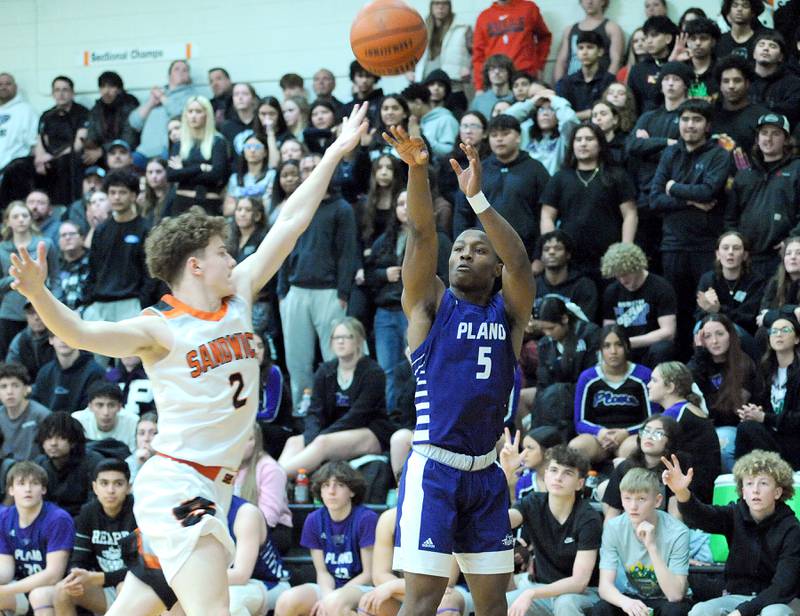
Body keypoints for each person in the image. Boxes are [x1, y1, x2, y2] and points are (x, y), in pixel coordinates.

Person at [8, 103, 370, 616]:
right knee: (211, 610)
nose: (233, 257)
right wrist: (42, 297)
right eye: (224, 250)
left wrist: (333, 152)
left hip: (215, 485)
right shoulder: (159, 326)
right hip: (180, 484)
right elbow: (83, 332)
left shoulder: (240, 292)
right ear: (197, 264)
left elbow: (289, 223)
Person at [382, 118, 535, 615]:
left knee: (493, 605)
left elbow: (521, 261)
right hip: (435, 470)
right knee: (423, 601)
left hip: (488, 473)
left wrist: (479, 201)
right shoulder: (430, 307)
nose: (465, 255)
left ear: (494, 267)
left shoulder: (509, 312)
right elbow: (423, 233)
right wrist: (417, 172)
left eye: (478, 250)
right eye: (461, 250)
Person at [664, 450, 800, 616]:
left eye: (763, 483)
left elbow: (782, 587)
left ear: (778, 492)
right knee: (700, 611)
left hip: (776, 601)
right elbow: (702, 516)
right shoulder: (734, 514)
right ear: (743, 491)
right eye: (749, 484)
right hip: (736, 596)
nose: (755, 490)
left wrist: (742, 612)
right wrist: (681, 492)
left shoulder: (792, 528)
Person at [650, 99, 730, 355]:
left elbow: (708, 191)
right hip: (673, 245)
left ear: (707, 126)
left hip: (705, 246)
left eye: (696, 120)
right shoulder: (670, 153)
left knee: (704, 309)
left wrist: (673, 188)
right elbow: (654, 199)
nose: (689, 125)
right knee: (678, 312)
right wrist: (690, 199)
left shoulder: (718, 154)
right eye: (685, 119)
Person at [276, 167, 360, 407]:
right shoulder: (297, 206)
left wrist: (343, 292)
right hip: (295, 291)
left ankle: (338, 407)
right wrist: (282, 290)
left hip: (329, 292)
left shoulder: (342, 209)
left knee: (336, 356)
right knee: (297, 360)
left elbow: (348, 254)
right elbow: (283, 248)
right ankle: (302, 412)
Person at [278, 317, 392, 478]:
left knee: (322, 443)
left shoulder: (373, 372)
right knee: (294, 442)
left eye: (346, 337)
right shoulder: (325, 371)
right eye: (336, 338)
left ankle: (273, 478)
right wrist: (312, 434)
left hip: (370, 431)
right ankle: (277, 481)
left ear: (359, 340)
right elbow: (314, 411)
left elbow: (359, 415)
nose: (340, 342)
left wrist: (322, 435)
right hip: (330, 432)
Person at [506, 444, 603, 616]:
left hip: (585, 593)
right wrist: (507, 476)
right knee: (503, 603)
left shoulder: (588, 518)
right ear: (545, 475)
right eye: (554, 470)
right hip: (543, 589)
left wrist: (532, 593)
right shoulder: (533, 502)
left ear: (580, 483)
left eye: (567, 473)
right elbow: (502, 521)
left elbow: (579, 582)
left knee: (565, 603)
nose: (558, 477)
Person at [30, 458, 136, 616]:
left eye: (118, 484)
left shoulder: (138, 512)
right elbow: (79, 559)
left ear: (128, 487)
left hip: (136, 589)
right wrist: (76, 576)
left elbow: (140, 569)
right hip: (104, 587)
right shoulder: (88, 512)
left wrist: (98, 578)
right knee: (63, 589)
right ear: (95, 487)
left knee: (124, 587)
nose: (111, 490)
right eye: (104, 483)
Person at [273, 462, 377, 616]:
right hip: (329, 587)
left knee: (336, 603)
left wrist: (332, 598)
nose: (331, 491)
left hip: (362, 588)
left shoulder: (366, 519)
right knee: (287, 600)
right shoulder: (314, 520)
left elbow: (369, 575)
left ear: (352, 491)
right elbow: (322, 572)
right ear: (320, 491)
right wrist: (328, 595)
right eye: (326, 485)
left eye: (339, 485)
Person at [540, 121, 637, 281]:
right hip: (570, 259)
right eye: (578, 140)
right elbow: (547, 215)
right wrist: (553, 247)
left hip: (609, 257)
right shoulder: (560, 178)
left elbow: (630, 214)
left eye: (589, 139)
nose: (583, 144)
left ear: (600, 144)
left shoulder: (617, 175)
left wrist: (625, 250)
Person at [592, 467, 691, 616]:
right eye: (627, 498)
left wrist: (652, 547)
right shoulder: (613, 528)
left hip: (666, 600)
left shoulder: (678, 532)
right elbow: (605, 587)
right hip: (632, 597)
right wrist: (625, 602)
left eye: (641, 499)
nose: (633, 506)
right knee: (602, 609)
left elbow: (675, 595)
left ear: (657, 501)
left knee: (675, 611)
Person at [452, 114, 550, 259]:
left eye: (505, 134)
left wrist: (539, 256)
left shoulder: (536, 169)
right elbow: (462, 213)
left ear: (518, 137)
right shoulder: (478, 169)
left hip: (524, 251)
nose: (499, 139)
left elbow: (545, 214)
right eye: (494, 135)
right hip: (481, 253)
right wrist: (461, 248)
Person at [726, 113, 800, 280]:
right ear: (757, 138)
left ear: (786, 139)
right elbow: (730, 217)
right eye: (764, 133)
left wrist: (792, 241)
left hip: (783, 257)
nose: (769, 139)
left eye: (776, 133)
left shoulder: (797, 169)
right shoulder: (744, 175)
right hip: (748, 258)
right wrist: (737, 245)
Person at [357, 507, 471, 616]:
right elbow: (379, 575)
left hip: (453, 589)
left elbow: (448, 581)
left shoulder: (445, 515)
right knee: (369, 603)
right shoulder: (389, 519)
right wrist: (393, 587)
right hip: (408, 589)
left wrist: (393, 586)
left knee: (446, 603)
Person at [83, 170, 156, 329]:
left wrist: (142, 303)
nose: (116, 197)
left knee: (131, 354)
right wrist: (89, 300)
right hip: (100, 305)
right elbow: (93, 269)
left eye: (122, 192)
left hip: (131, 304)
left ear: (134, 195)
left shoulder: (146, 229)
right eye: (112, 192)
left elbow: (151, 273)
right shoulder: (101, 230)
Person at [571, 325, 655, 463]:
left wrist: (626, 432)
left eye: (619, 345)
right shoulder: (588, 377)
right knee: (576, 447)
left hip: (631, 436)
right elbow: (579, 422)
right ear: (600, 350)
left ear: (627, 347)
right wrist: (601, 433)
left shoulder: (643, 376)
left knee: (633, 448)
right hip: (598, 438)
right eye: (607, 346)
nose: (613, 351)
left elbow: (653, 419)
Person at [688, 314, 760, 473]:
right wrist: (699, 353)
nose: (714, 341)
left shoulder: (743, 363)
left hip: (731, 426)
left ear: (731, 335)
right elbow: (689, 389)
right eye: (707, 336)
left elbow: (732, 410)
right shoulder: (699, 363)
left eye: (720, 334)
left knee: (723, 448)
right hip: (705, 428)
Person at [0, 461, 73, 616]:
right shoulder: (4, 518)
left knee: (39, 595)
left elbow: (54, 575)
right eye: (21, 484)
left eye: (34, 483)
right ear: (11, 490)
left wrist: (6, 590)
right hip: (21, 585)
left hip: (57, 588)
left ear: (43, 489)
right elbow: (6, 569)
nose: (28, 489)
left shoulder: (58, 519)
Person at [647, 362, 721, 503]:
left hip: (693, 488)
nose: (649, 385)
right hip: (698, 483)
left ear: (670, 387)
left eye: (654, 380)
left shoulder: (675, 413)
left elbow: (649, 447)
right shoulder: (685, 408)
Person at [734, 313, 800, 469]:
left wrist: (764, 417)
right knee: (746, 426)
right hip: (774, 436)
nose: (778, 334)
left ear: (797, 339)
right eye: (774, 331)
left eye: (785, 330)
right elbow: (760, 404)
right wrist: (752, 412)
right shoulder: (766, 370)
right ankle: (741, 478)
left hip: (794, 438)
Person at [532, 297, 601, 436]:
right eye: (543, 330)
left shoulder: (589, 334)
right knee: (545, 396)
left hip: (585, 394)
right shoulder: (545, 344)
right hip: (555, 397)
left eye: (551, 328)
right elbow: (542, 384)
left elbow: (592, 375)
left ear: (564, 319)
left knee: (558, 392)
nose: (548, 334)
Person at [601, 243, 677, 367]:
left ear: (637, 267)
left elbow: (668, 332)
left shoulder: (660, 287)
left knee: (663, 348)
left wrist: (629, 342)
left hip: (650, 348)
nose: (622, 280)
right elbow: (608, 330)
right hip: (623, 351)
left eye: (625, 274)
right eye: (618, 275)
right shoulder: (612, 291)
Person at [0, 201, 59, 358]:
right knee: (8, 359)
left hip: (41, 309)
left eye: (25, 215)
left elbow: (56, 279)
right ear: (7, 221)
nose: (21, 219)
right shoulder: (1, 249)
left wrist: (56, 303)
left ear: (30, 219)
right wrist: (19, 276)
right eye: (16, 216)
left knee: (46, 355)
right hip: (10, 312)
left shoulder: (45, 244)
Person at [601, 415, 682, 520]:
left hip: (664, 527)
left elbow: (675, 517)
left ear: (671, 440)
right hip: (631, 526)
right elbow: (612, 513)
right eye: (646, 431)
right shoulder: (625, 467)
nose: (649, 437)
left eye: (658, 433)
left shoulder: (676, 466)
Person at [695, 232, 765, 352]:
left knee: (732, 331)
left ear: (745, 255)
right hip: (712, 329)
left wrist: (717, 310)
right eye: (725, 248)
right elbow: (698, 314)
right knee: (698, 329)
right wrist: (708, 310)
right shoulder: (708, 279)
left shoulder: (756, 281)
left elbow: (749, 319)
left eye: (736, 248)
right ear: (717, 254)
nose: (730, 252)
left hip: (743, 334)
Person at [166, 96, 229, 216]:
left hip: (208, 203)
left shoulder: (218, 142)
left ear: (207, 114)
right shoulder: (179, 144)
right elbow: (171, 175)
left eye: (198, 111)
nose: (193, 115)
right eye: (190, 111)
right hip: (181, 203)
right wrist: (200, 168)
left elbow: (217, 175)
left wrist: (183, 171)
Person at [236, 423, 292, 555]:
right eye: (238, 438)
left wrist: (242, 533)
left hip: (272, 530)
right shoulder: (224, 468)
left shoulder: (270, 468)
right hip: (236, 528)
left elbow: (269, 516)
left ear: (257, 442)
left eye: (249, 439)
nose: (241, 444)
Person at [34, 413, 104, 517]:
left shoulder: (93, 462)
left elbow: (96, 504)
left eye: (60, 437)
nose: (53, 443)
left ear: (73, 441)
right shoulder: (39, 464)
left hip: (83, 522)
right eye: (48, 438)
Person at [128, 59, 200, 159]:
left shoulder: (193, 96)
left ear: (189, 76)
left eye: (185, 70)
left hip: (169, 151)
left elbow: (180, 115)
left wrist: (162, 97)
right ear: (169, 75)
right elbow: (134, 122)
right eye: (177, 69)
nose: (181, 72)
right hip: (143, 152)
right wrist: (151, 103)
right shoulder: (155, 96)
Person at [34, 76, 89, 206]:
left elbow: (78, 144)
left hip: (69, 156)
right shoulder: (47, 115)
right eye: (57, 90)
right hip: (48, 157)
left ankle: (63, 207)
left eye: (65, 90)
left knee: (64, 163)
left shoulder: (82, 113)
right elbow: (41, 140)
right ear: (53, 93)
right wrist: (39, 159)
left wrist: (52, 157)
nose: (61, 94)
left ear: (72, 93)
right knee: (19, 166)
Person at [472, 0, 551, 89]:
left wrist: (539, 65)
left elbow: (544, 37)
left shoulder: (529, 8)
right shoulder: (484, 17)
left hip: (525, 75)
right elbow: (478, 55)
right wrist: (479, 87)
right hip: (497, 79)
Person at [503, 86, 580, 175]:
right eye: (541, 109)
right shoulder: (525, 131)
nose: (545, 113)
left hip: (553, 185)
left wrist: (553, 98)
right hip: (526, 184)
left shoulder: (565, 136)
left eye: (551, 109)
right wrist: (532, 102)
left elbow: (569, 119)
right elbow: (505, 119)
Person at [413, 0, 473, 113]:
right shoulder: (421, 28)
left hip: (453, 85)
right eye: (436, 3)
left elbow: (476, 54)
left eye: (444, 4)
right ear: (431, 6)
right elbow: (412, 52)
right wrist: (409, 70)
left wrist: (468, 68)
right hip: (426, 86)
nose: (440, 7)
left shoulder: (463, 27)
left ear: (449, 6)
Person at [712, 55, 770, 166]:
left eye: (737, 80)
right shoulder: (710, 115)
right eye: (725, 81)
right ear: (719, 85)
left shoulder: (762, 118)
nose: (731, 86)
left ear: (747, 83)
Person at [534, 230, 599, 322]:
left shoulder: (584, 285)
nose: (551, 252)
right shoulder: (532, 285)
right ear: (541, 256)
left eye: (558, 248)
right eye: (546, 249)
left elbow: (585, 324)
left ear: (568, 254)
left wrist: (542, 326)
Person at [552, 0, 625, 83]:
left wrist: (606, 84)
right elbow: (561, 61)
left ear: (603, 2)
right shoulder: (570, 30)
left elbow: (616, 60)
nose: (590, 1)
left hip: (599, 84)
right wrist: (560, 86)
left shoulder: (612, 28)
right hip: (572, 85)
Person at [31, 333, 104, 414]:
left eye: (69, 334)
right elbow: (36, 407)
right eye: (58, 335)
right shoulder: (44, 372)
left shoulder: (95, 373)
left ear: (80, 339)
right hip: (49, 425)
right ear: (51, 340)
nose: (64, 340)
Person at [555, 31, 617, 119]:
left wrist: (575, 115)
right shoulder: (566, 82)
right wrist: (588, 114)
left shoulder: (609, 80)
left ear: (600, 51)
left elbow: (611, 111)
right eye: (580, 48)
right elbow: (561, 114)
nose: (584, 52)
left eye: (590, 47)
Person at [82, 71, 139, 165]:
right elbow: (92, 134)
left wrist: (102, 151)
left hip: (124, 153)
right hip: (100, 154)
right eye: (102, 87)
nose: (106, 91)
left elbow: (129, 140)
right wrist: (90, 145)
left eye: (111, 87)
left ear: (119, 89)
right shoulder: (96, 109)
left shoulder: (129, 107)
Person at [0, 73, 39, 208]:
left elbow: (35, 145)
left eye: (8, 84)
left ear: (15, 87)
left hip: (13, 173)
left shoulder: (26, 111)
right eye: (0, 84)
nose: (3, 87)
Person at [0, 362, 50, 461]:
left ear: (26, 389)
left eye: (15, 385)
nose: (9, 391)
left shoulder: (42, 415)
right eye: (3, 386)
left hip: (35, 471)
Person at [628, 16, 679, 113]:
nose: (649, 41)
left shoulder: (680, 66)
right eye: (646, 37)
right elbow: (633, 106)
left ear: (668, 38)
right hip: (646, 121)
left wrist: (671, 64)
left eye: (654, 35)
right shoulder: (638, 70)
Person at [750, 32, 800, 128]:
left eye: (772, 46)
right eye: (761, 45)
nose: (766, 49)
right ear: (753, 54)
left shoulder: (794, 84)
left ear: (781, 57)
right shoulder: (743, 79)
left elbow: (791, 112)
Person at [500, 425, 563, 500]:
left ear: (549, 453)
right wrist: (508, 472)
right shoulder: (523, 483)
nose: (523, 454)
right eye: (523, 448)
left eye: (530, 448)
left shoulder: (565, 482)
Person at [71, 381, 138, 452]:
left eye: (111, 405)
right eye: (100, 405)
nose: (106, 412)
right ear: (90, 406)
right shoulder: (78, 421)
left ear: (119, 407)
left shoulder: (133, 422)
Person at [402, 82, 459, 161]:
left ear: (418, 103)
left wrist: (422, 138)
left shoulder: (447, 119)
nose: (405, 111)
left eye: (406, 106)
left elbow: (450, 150)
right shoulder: (420, 122)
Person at [671, 18, 721, 100]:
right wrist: (673, 61)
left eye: (703, 38)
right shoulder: (681, 67)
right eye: (693, 39)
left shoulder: (721, 68)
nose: (698, 43)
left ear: (713, 42)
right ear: (687, 41)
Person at [6, 301, 54, 382]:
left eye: (40, 311)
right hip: (29, 389)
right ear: (26, 316)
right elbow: (11, 372)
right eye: (31, 313)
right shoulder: (19, 340)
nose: (36, 317)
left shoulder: (59, 336)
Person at [471, 54, 517, 119]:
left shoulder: (516, 99)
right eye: (492, 69)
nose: (496, 72)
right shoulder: (479, 101)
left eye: (501, 68)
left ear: (509, 72)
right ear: (488, 73)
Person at [220, 83, 258, 150]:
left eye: (245, 94)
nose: (240, 97)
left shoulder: (261, 123)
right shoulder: (227, 127)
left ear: (253, 98)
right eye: (236, 94)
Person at [125, 412, 157, 483]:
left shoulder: (169, 462)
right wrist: (139, 465)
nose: (146, 438)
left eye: (153, 433)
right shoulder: (129, 463)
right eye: (141, 433)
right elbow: (127, 491)